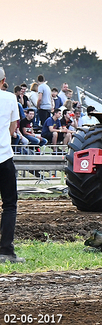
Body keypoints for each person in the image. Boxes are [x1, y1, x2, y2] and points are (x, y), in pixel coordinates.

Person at [0, 67, 25, 263]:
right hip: (3, 157)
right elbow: (13, 127)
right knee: (9, 205)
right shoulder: (10, 98)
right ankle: (6, 251)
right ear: (4, 80)